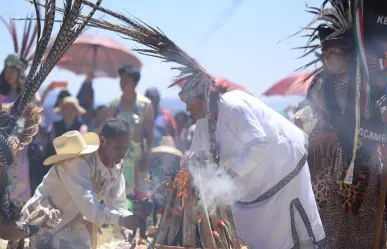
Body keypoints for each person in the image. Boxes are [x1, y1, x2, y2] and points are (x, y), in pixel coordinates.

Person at [294, 1, 387, 248]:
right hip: (323, 165)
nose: (328, 59)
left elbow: (374, 120)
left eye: (333, 53)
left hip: (358, 161)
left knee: (360, 227)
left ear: (347, 52)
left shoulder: (367, 83)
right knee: (325, 226)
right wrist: (303, 120)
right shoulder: (318, 84)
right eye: (324, 54)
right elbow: (308, 111)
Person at [20, 119, 144, 249]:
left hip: (74, 227)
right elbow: (91, 208)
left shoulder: (116, 165)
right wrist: (122, 219)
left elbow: (117, 202)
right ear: (103, 141)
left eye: (126, 147)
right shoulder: (76, 163)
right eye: (118, 148)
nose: (122, 153)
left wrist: (125, 226)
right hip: (42, 224)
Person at [149, 136, 183, 225]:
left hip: (173, 201)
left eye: (168, 155)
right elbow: (153, 185)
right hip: (159, 201)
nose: (165, 157)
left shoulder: (178, 170)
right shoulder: (157, 169)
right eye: (163, 154)